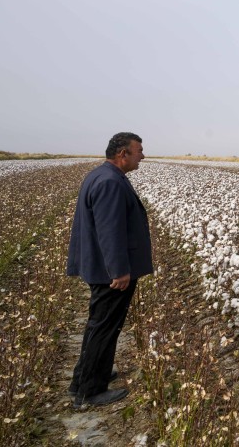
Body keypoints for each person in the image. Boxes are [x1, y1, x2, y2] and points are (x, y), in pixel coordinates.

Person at [66, 132, 153, 408]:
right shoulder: (110, 182)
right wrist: (119, 271)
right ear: (122, 154)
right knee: (104, 328)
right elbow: (109, 231)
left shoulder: (100, 175)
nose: (143, 155)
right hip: (109, 273)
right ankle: (89, 392)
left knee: (99, 325)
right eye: (139, 150)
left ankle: (86, 377)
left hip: (101, 268)